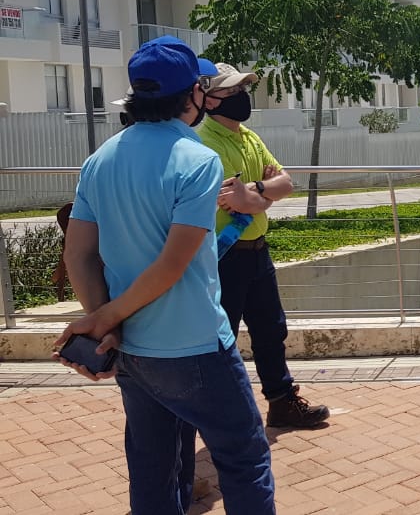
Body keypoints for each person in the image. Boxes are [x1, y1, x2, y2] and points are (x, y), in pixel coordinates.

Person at [52, 36, 275, 514]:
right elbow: (174, 264)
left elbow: (79, 256)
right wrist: (107, 316)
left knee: (153, 470)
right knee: (244, 457)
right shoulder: (197, 160)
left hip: (131, 348)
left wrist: (105, 322)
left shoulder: (100, 159)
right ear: (194, 93)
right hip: (195, 346)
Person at [195, 63, 331, 427]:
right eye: (232, 91)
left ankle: (282, 401)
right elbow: (233, 201)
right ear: (208, 100)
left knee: (271, 330)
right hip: (224, 257)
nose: (241, 97)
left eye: (242, 89)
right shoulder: (205, 145)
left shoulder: (249, 138)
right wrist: (264, 194)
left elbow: (286, 183)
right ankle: (219, 414)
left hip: (257, 251)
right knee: (220, 338)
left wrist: (254, 191)